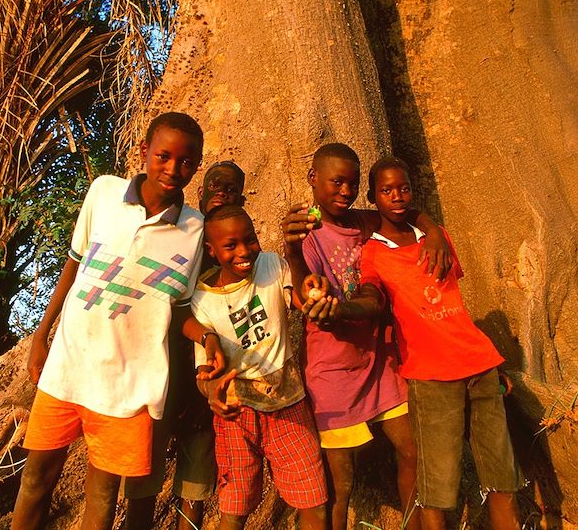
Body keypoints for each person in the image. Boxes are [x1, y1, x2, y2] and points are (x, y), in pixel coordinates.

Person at [12, 112, 225, 530]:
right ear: (144, 151)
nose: (173, 169)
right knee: (36, 479)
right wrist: (42, 334)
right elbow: (72, 267)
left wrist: (207, 336)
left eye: (186, 162)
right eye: (163, 156)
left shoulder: (195, 228)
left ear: (197, 165)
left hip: (130, 384)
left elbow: (178, 307)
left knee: (103, 497)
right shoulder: (103, 193)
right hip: (69, 366)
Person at [314, 156, 522, 530]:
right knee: (436, 485)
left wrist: (434, 230)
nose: (397, 196)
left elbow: (453, 306)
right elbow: (371, 299)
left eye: (404, 188)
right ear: (372, 199)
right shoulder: (373, 253)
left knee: (502, 478)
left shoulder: (436, 237)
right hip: (429, 376)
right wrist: (341, 309)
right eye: (386, 190)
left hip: (479, 366)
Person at [282, 143, 451, 530]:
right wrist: (292, 252)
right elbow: (307, 294)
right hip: (333, 371)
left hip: (380, 361)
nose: (345, 190)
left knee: (411, 450)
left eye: (352, 183)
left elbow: (405, 212)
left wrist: (433, 232)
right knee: (341, 483)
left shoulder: (363, 222)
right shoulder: (306, 233)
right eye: (336, 181)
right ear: (313, 179)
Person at [123, 160, 247, 530]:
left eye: (231, 189)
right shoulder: (182, 241)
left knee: (194, 489)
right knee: (143, 485)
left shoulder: (242, 257)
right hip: (158, 384)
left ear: (242, 198)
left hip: (206, 396)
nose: (222, 193)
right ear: (200, 194)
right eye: (215, 186)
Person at [193, 205, 328, 530]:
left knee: (314, 501)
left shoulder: (270, 264)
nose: (244, 251)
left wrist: (295, 254)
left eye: (250, 239)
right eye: (230, 245)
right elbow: (203, 373)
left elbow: (300, 299)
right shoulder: (201, 300)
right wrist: (213, 393)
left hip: (289, 405)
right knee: (235, 507)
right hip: (237, 418)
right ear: (211, 251)